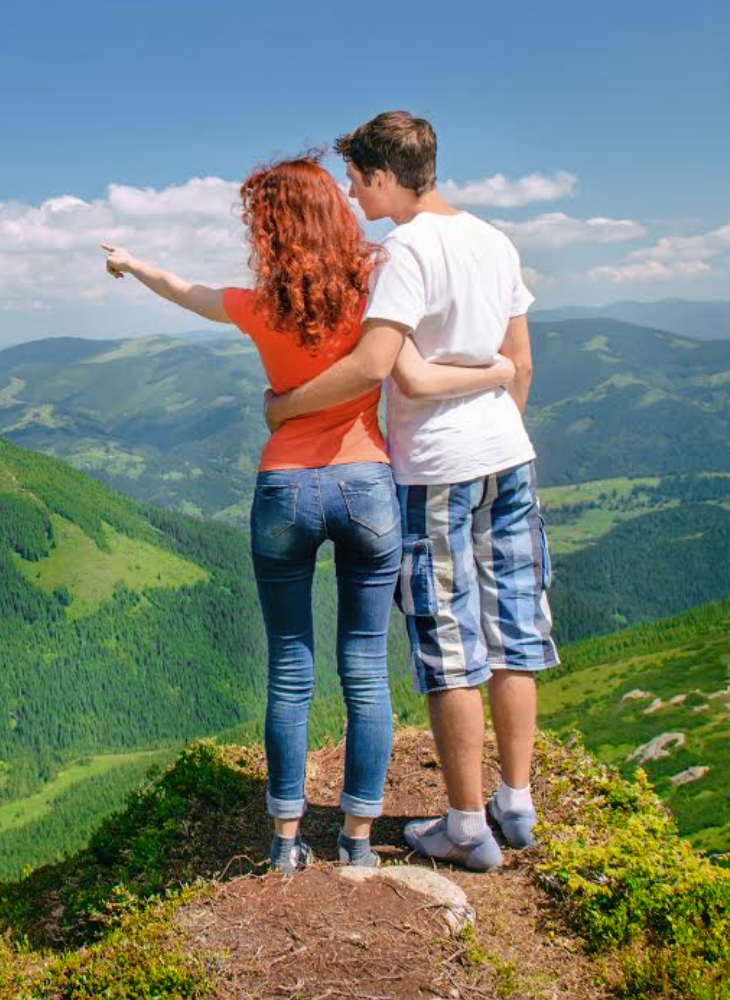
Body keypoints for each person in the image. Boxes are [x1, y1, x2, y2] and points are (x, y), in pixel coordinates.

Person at [103, 153, 514, 873]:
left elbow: (187, 291)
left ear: (268, 231)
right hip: (367, 485)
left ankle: (286, 841)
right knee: (364, 666)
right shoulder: (375, 285)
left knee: (290, 668)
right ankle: (356, 841)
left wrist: (132, 264)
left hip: (285, 489)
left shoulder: (261, 306)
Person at [265, 112, 558, 873]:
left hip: (437, 467)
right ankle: (515, 799)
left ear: (387, 176)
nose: (356, 195)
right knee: (514, 623)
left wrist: (286, 405)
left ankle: (465, 824)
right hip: (509, 456)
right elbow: (518, 363)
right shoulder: (495, 241)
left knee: (450, 642)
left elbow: (377, 366)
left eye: (360, 180)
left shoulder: (404, 251)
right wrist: (495, 411)